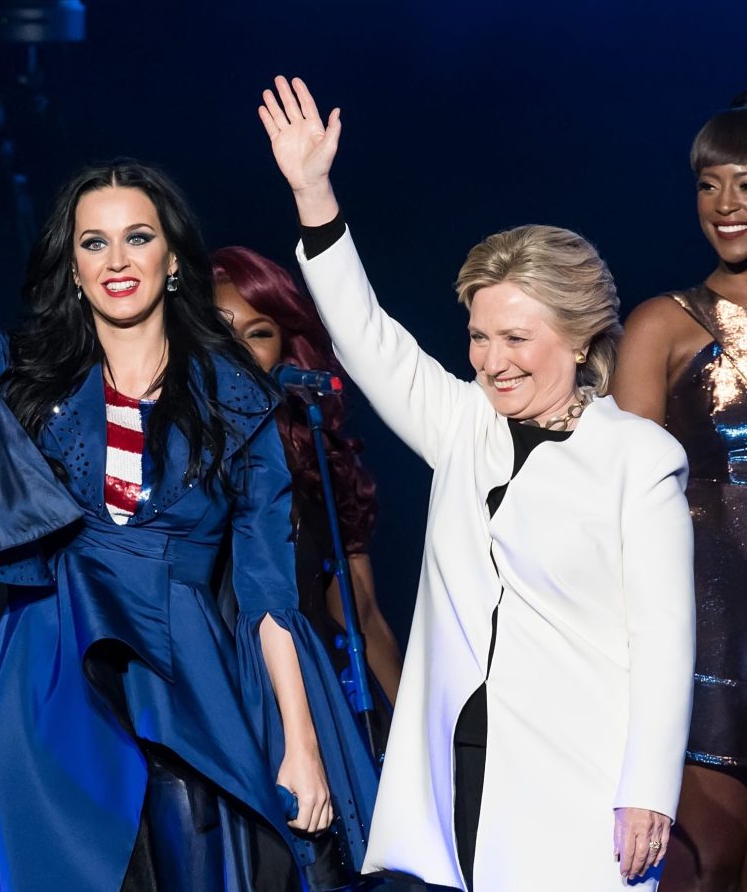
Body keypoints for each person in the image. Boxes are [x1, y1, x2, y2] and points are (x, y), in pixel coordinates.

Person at [0, 37, 377, 891]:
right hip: (45, 673)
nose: (117, 259)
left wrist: (300, 745)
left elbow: (270, 597)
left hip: (189, 676)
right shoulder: (30, 390)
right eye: (94, 243)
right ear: (74, 269)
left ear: (171, 260)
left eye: (137, 237)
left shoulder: (239, 406)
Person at [257, 75, 696, 891]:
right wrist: (314, 193)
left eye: (516, 337)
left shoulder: (637, 458)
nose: (492, 359)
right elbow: (365, 336)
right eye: (478, 335)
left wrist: (647, 789)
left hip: (582, 779)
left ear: (579, 336)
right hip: (462, 766)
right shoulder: (464, 426)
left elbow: (665, 641)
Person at [611, 97, 747, 892]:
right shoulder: (663, 324)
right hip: (707, 624)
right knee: (709, 862)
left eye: (745, 181)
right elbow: (620, 496)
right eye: (708, 183)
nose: (725, 203)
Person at [212, 245, 403, 718]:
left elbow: (363, 616)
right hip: (223, 711)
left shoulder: (314, 463)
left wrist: (417, 747)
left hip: (318, 705)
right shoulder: (169, 462)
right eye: (219, 331)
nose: (239, 349)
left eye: (259, 333)